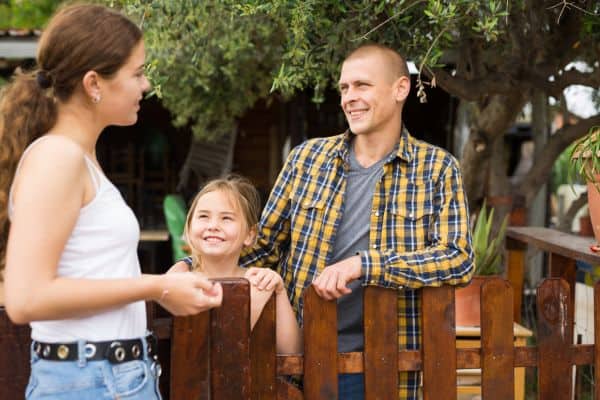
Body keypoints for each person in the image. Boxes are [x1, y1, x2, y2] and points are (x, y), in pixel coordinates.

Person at [0, 4, 223, 399]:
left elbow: (89, 270)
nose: (146, 84)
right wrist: (154, 287)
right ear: (93, 83)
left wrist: (163, 285)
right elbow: (26, 298)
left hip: (107, 376)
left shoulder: (79, 158)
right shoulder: (58, 157)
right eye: (136, 73)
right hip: (91, 381)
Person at [240, 43, 474, 399]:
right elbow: (263, 248)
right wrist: (194, 265)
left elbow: (458, 258)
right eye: (345, 88)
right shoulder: (307, 159)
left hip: (382, 363)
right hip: (298, 359)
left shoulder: (438, 169)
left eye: (362, 85)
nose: (350, 97)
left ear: (401, 89)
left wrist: (365, 265)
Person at [170, 175, 302, 354]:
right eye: (203, 216)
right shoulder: (178, 278)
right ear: (189, 227)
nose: (213, 226)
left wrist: (279, 292)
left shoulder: (260, 282)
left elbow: (292, 352)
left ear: (250, 234)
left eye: (226, 218)